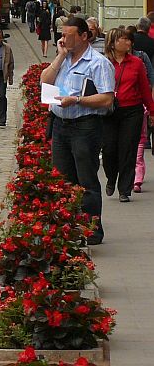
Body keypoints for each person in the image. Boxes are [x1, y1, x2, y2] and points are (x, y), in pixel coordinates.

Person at [40, 16, 116, 245]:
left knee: (86, 179)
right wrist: (60, 55)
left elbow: (107, 99)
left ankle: (92, 229)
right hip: (61, 125)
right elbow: (45, 81)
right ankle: (68, 227)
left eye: (69, 35)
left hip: (85, 126)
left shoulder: (98, 63)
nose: (64, 39)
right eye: (63, 35)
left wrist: (78, 100)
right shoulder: (65, 58)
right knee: (63, 180)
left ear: (84, 36)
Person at [102, 27, 154, 203]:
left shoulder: (137, 63)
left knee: (128, 150)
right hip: (109, 111)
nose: (129, 42)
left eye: (129, 39)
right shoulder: (104, 63)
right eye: (124, 39)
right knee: (109, 149)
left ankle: (125, 189)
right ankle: (111, 178)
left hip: (132, 111)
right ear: (113, 42)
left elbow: (145, 88)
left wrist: (152, 110)